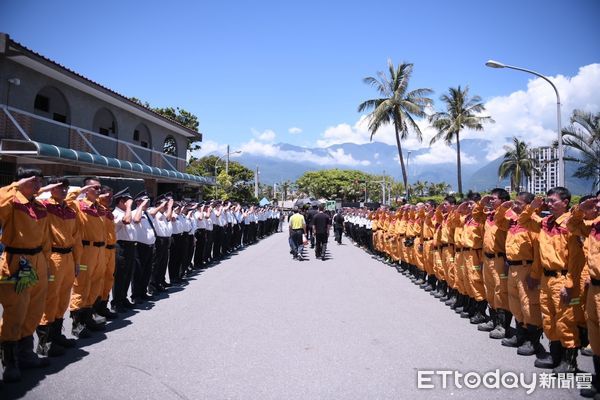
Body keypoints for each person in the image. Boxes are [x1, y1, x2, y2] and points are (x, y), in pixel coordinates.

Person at [519, 186, 582, 373]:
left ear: (565, 202)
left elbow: (576, 260)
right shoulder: (546, 222)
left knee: (565, 321)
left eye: (553, 201)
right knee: (549, 319)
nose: (549, 204)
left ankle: (569, 362)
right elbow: (523, 220)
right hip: (546, 279)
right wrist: (532, 206)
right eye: (548, 201)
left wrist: (570, 285)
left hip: (562, 279)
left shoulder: (570, 225)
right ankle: (556, 357)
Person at [0, 169, 51, 382]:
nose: (37, 185)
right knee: (16, 310)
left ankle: (26, 353)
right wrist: (15, 186)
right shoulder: (11, 200)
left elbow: (46, 237)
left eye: (40, 181)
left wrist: (48, 265)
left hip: (38, 260)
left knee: (34, 308)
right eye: (33, 181)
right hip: (17, 261)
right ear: (21, 182)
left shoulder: (39, 206)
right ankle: (10, 362)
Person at [36, 177, 81, 357]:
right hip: (53, 256)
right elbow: (31, 197)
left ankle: (56, 336)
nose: (64, 191)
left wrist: (77, 262)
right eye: (60, 187)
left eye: (66, 188)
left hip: (68, 256)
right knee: (50, 299)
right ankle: (44, 343)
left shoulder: (69, 210)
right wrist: (46, 189)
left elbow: (76, 237)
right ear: (52, 188)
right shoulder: (44, 205)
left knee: (63, 298)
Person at [67, 177, 108, 336]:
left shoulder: (100, 208)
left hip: (99, 251)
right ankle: (77, 323)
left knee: (96, 284)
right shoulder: (78, 205)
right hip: (85, 251)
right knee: (81, 286)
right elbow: (66, 201)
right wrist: (79, 192)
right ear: (85, 189)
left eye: (100, 188)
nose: (99, 191)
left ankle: (88, 316)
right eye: (95, 188)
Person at [111, 188, 136, 313]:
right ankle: (116, 302)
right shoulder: (117, 213)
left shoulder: (126, 212)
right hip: (121, 246)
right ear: (121, 201)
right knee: (120, 276)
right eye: (127, 201)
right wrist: (129, 207)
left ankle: (123, 298)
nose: (130, 203)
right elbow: (126, 221)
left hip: (130, 246)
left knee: (127, 274)